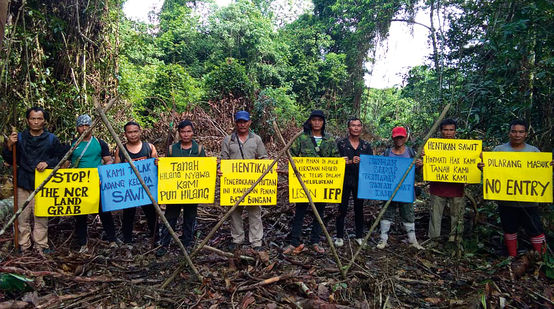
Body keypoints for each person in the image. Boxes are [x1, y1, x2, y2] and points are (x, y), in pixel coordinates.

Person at [483, 119, 549, 256]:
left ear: (526, 134)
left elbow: (540, 174)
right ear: (509, 133)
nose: (517, 135)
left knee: (535, 228)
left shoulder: (534, 152)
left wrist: (548, 166)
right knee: (509, 228)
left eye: (521, 132)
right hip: (506, 200)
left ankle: (543, 260)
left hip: (529, 201)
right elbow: (492, 173)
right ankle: (512, 257)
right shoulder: (499, 150)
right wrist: (483, 168)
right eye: (514, 131)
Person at [2, 106, 62, 254]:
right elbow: (10, 160)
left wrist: (48, 163)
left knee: (41, 216)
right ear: (28, 120)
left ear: (44, 121)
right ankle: (24, 246)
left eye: (39, 119)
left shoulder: (51, 139)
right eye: (33, 119)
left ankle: (41, 246)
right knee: (22, 217)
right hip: (23, 181)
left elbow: (61, 159)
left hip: (43, 184)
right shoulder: (19, 138)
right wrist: (9, 145)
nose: (36, 122)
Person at [284, 110, 339, 254]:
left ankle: (315, 241)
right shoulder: (301, 137)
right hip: (304, 182)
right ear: (310, 121)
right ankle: (294, 241)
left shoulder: (330, 139)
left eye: (319, 120)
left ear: (323, 122)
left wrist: (341, 162)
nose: (316, 123)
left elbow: (335, 158)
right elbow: (292, 155)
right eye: (314, 120)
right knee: (300, 212)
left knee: (319, 212)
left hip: (322, 182)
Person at [219, 111, 268, 251]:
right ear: (235, 123)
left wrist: (268, 170)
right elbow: (223, 160)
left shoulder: (256, 139)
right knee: (235, 211)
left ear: (249, 122)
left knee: (255, 211)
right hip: (234, 183)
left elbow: (264, 158)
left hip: (252, 182)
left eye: (245, 121)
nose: (242, 124)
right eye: (239, 121)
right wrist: (220, 170)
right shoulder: (228, 140)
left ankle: (256, 241)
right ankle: (237, 239)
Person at [68, 115, 117, 253]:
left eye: (87, 125)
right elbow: (65, 164)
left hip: (97, 183)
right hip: (79, 184)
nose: (84, 128)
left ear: (92, 127)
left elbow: (107, 160)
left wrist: (104, 173)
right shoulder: (73, 144)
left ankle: (112, 239)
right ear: (77, 128)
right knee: (80, 214)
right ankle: (83, 243)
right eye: (81, 126)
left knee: (104, 211)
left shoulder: (100, 143)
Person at [156, 120, 206, 257]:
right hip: (175, 190)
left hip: (192, 190)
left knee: (190, 217)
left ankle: (187, 244)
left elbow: (204, 169)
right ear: (179, 133)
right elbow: (167, 168)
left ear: (193, 132)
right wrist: (159, 164)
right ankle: (164, 244)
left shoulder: (199, 149)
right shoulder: (172, 149)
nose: (186, 134)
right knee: (170, 216)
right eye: (183, 131)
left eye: (189, 131)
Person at [376, 126, 424, 250]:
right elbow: (377, 168)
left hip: (406, 190)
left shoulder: (411, 153)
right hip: (389, 190)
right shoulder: (387, 153)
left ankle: (413, 241)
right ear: (393, 137)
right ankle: (383, 239)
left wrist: (419, 165)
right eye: (396, 137)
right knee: (387, 214)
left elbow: (419, 174)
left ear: (405, 138)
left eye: (401, 137)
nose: (399, 139)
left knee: (408, 214)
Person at [114, 121, 159, 244]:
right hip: (130, 190)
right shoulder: (120, 150)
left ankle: (155, 236)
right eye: (130, 132)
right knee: (128, 214)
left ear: (140, 131)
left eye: (135, 131)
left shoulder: (149, 147)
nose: (133, 135)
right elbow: (115, 170)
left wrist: (158, 163)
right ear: (125, 134)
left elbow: (156, 166)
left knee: (151, 213)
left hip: (147, 188)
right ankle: (127, 239)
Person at [334, 118, 373, 247]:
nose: (356, 128)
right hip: (344, 180)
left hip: (360, 180)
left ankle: (359, 236)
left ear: (361, 128)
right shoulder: (341, 144)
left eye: (358, 126)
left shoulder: (366, 146)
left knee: (359, 208)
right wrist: (342, 161)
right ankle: (339, 236)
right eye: (353, 125)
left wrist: (363, 161)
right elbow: (332, 161)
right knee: (342, 208)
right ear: (348, 128)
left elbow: (371, 164)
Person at [427, 118, 466, 244]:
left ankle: (455, 240)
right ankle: (433, 240)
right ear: (441, 131)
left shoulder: (463, 148)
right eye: (445, 130)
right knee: (435, 216)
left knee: (457, 216)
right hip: (437, 187)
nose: (448, 133)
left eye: (451, 130)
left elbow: (469, 164)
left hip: (457, 188)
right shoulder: (432, 147)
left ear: (455, 131)